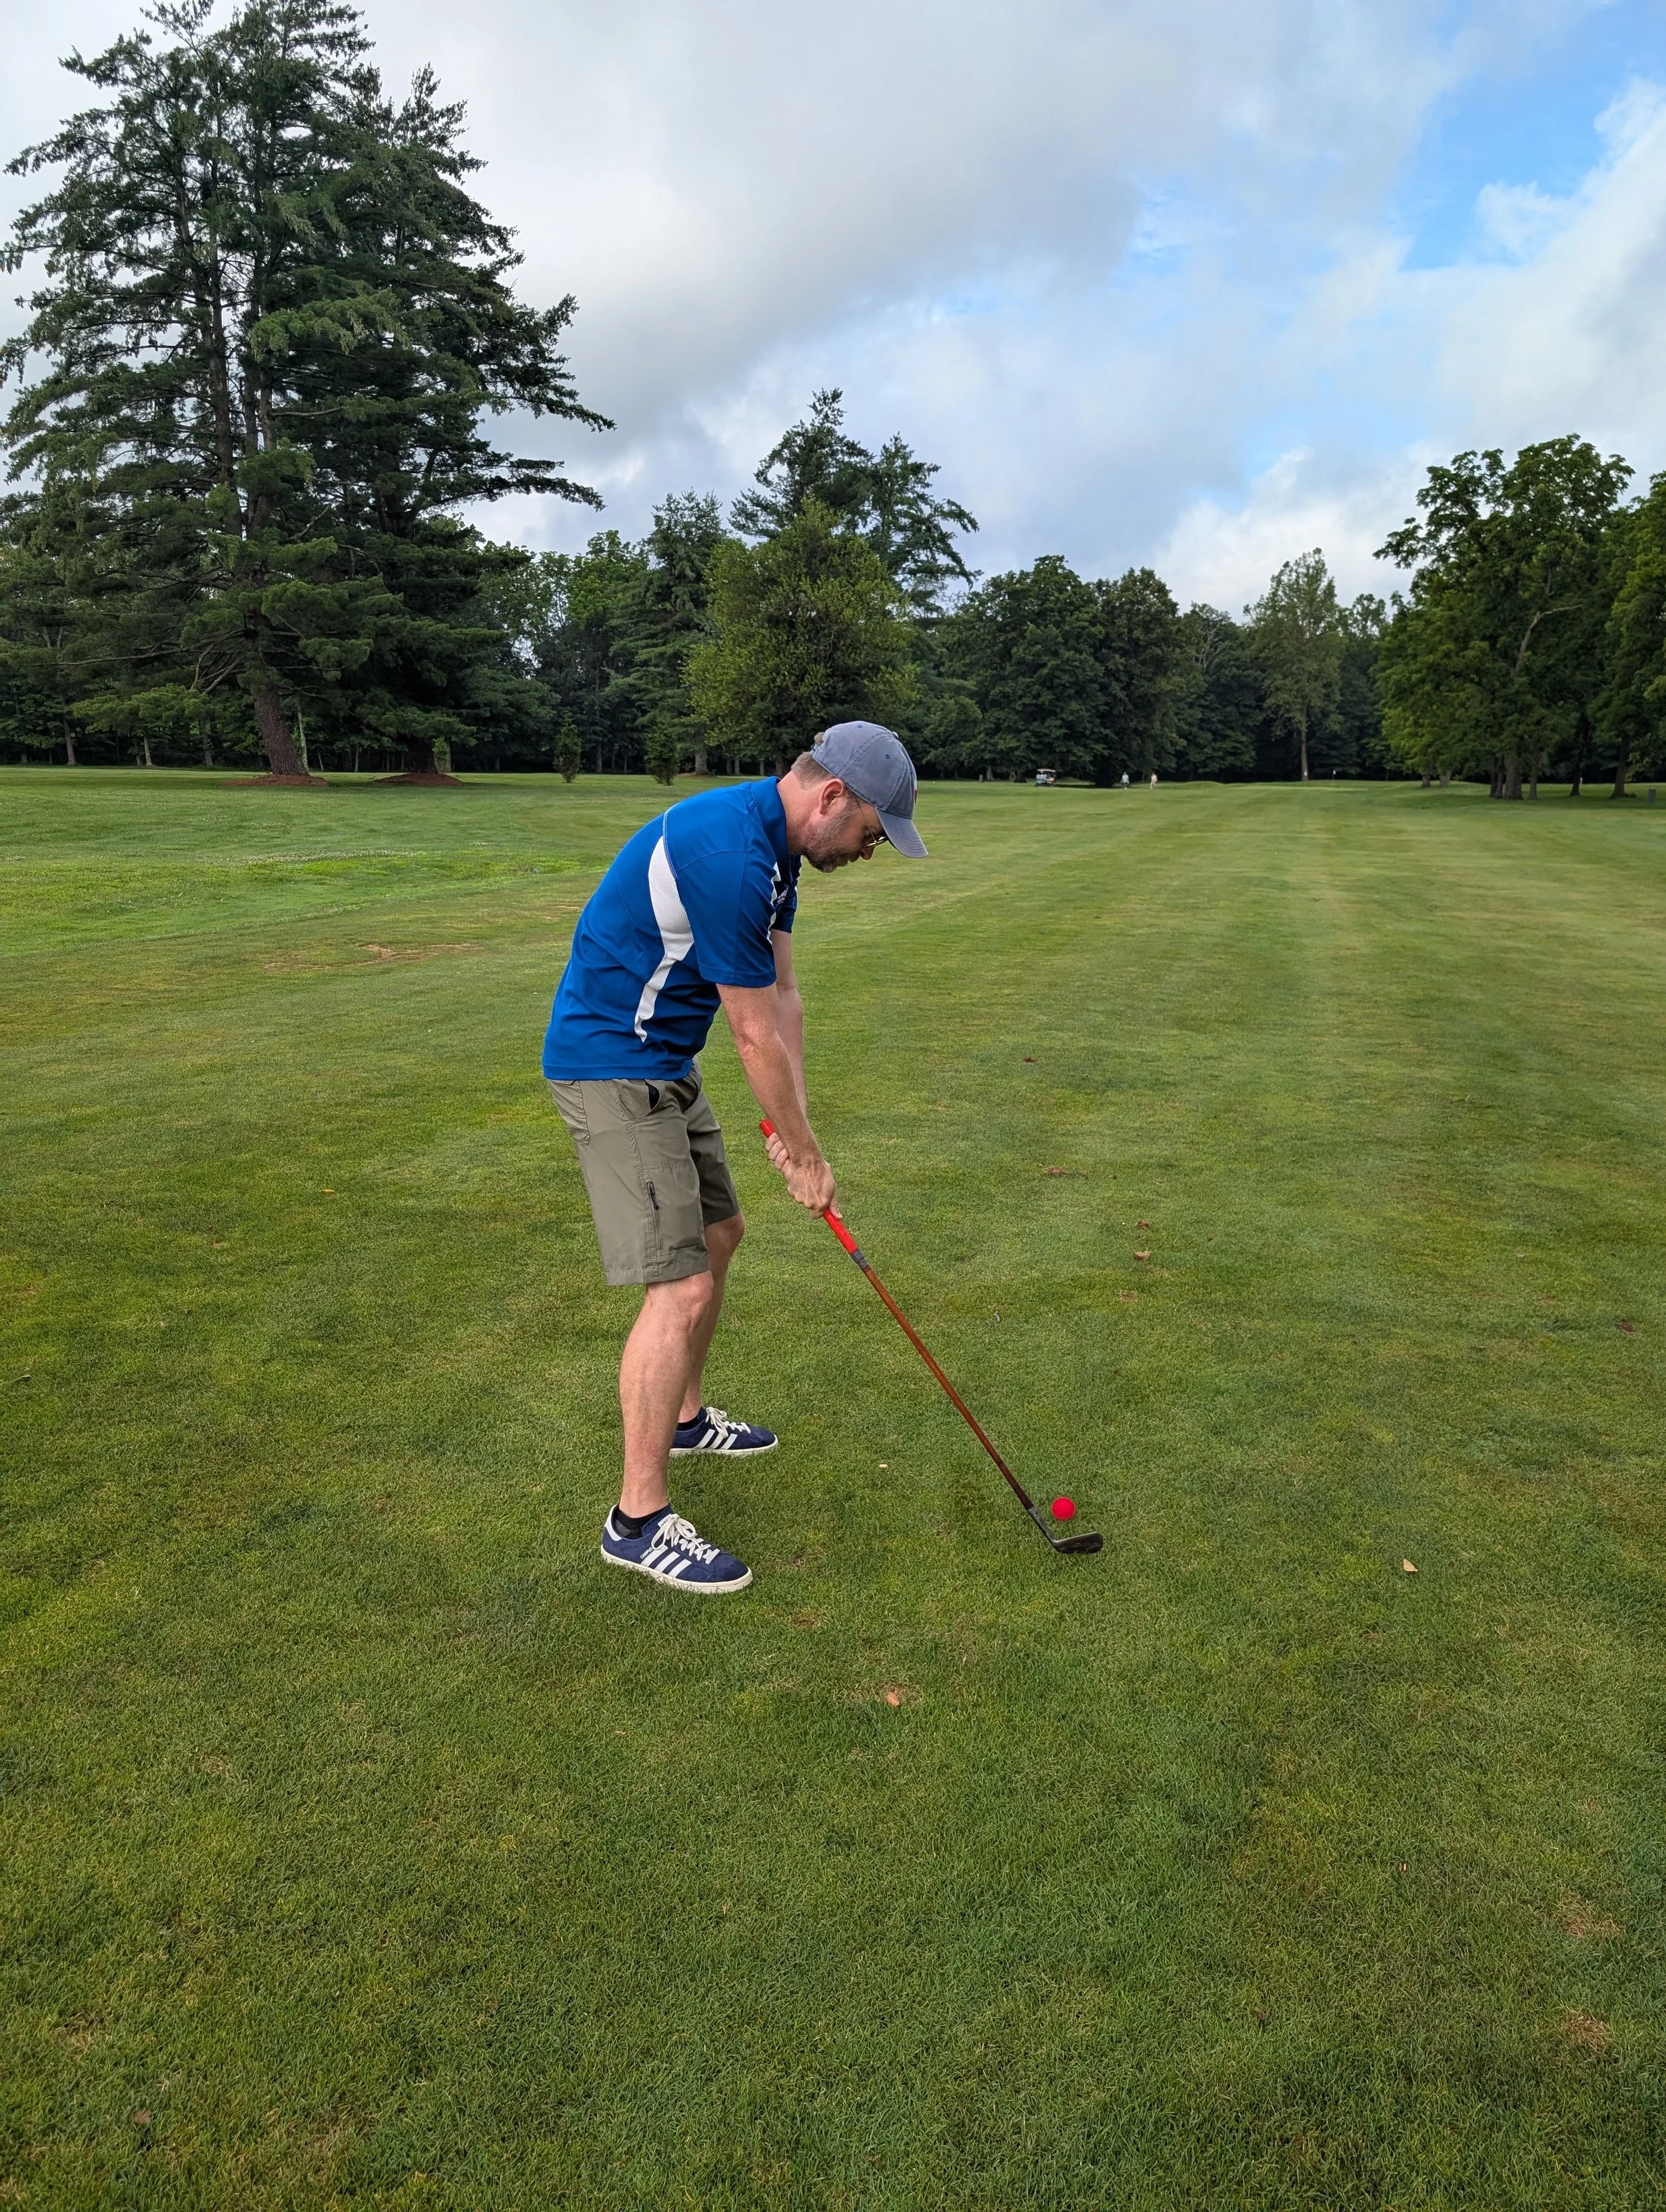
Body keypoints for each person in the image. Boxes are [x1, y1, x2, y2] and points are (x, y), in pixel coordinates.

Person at [543, 722, 928, 1594]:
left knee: (720, 1233)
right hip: (610, 1062)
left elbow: (783, 999)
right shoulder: (728, 850)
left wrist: (794, 1132)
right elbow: (751, 1033)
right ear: (831, 796)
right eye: (872, 834)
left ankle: (683, 1419)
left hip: (663, 1062)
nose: (868, 853)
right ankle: (636, 1520)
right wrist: (801, 1150)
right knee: (676, 1285)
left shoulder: (779, 855)